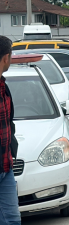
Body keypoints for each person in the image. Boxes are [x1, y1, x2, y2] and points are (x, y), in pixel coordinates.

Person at [0, 36, 20, 224]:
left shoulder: (3, 87)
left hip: (6, 168)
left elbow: (9, 123)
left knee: (12, 220)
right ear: (6, 57)